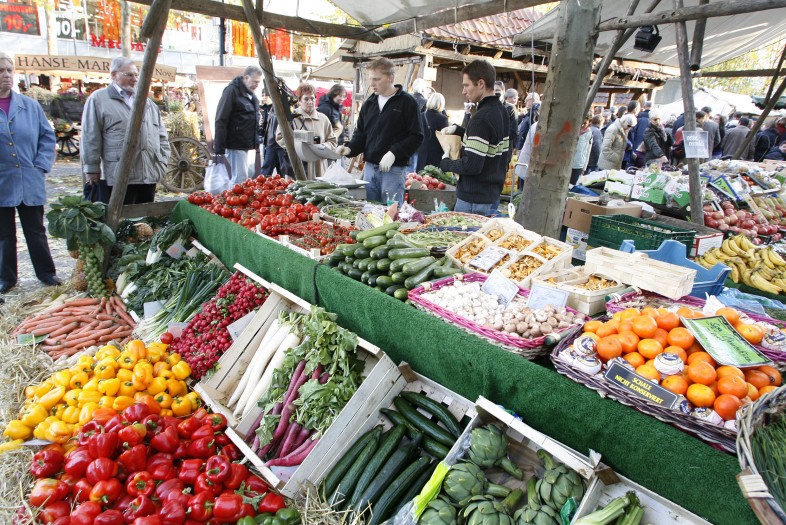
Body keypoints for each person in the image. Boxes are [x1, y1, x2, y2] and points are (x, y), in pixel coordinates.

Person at [0, 51, 60, 294]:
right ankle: (6, 278)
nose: (6, 75)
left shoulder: (30, 106)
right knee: (4, 234)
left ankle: (46, 273)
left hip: (29, 178)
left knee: (35, 230)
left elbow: (47, 137)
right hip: (2, 181)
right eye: (1, 71)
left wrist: (40, 165)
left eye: (9, 70)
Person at [81, 56, 170, 205]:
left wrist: (162, 161)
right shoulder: (99, 99)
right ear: (114, 75)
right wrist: (91, 168)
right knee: (117, 217)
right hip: (116, 176)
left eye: (136, 75)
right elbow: (90, 136)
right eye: (129, 75)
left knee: (144, 217)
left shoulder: (149, 104)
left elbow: (162, 137)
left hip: (147, 175)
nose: (134, 79)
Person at [336, 58, 423, 206]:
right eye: (371, 79)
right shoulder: (369, 103)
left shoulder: (407, 102)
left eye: (376, 79)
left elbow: (417, 136)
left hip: (394, 170)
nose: (372, 84)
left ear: (391, 78)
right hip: (370, 169)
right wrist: (350, 148)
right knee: (370, 210)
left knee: (391, 212)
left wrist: (394, 153)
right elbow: (361, 134)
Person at [439, 59, 509, 215]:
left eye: (466, 85)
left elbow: (472, 165)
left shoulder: (481, 118)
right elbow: (488, 141)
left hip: (474, 200)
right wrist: (459, 130)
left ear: (481, 84)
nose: (463, 91)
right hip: (491, 195)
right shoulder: (501, 110)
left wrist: (446, 163)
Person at [276, 83, 336, 179]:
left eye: (312, 98)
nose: (310, 101)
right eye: (306, 99)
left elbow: (332, 142)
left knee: (318, 188)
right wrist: (299, 147)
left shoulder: (323, 119)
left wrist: (321, 147)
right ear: (299, 101)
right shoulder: (291, 118)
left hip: (319, 167)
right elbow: (280, 137)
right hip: (297, 166)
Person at [213, 65, 262, 184]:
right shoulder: (231, 91)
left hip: (249, 143)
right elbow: (221, 118)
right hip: (236, 143)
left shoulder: (251, 95)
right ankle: (232, 196)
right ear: (246, 77)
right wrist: (219, 147)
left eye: (258, 82)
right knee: (240, 178)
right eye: (255, 81)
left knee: (248, 175)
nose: (257, 85)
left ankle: (236, 195)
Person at [416, 92, 449, 172]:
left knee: (420, 176)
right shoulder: (443, 119)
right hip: (436, 153)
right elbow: (445, 138)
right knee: (433, 177)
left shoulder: (421, 115)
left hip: (422, 152)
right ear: (441, 104)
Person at [571, 114, 593, 185]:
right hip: (568, 161)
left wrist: (584, 168)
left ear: (589, 123)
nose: (582, 125)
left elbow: (588, 151)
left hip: (579, 164)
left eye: (585, 123)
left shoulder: (589, 134)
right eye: (581, 123)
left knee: (572, 185)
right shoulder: (573, 130)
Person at [503, 88, 519, 153]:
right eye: (515, 98)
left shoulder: (501, 107)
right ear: (509, 97)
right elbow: (513, 131)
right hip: (507, 143)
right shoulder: (512, 108)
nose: (516, 100)